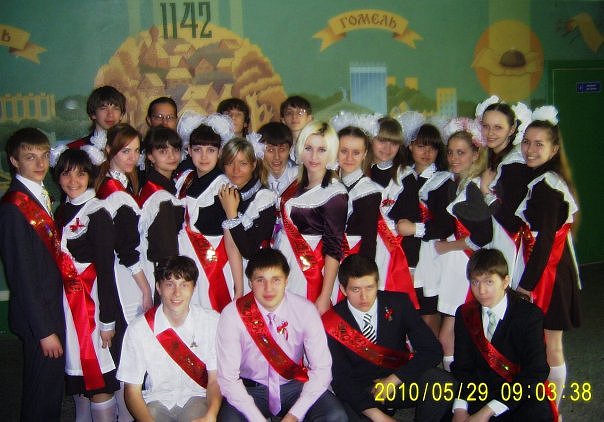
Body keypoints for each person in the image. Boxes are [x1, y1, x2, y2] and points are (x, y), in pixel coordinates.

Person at [217, 248, 347, 422]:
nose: (268, 288)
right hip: (250, 390)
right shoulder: (232, 314)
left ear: (286, 280)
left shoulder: (305, 310)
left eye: (276, 280)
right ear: (250, 282)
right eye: (260, 280)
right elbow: (228, 378)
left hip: (294, 386)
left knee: (334, 415)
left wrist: (294, 415)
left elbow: (322, 369)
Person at [324, 254, 454, 422]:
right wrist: (378, 416)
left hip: (399, 381)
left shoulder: (398, 303)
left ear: (377, 283)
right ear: (343, 289)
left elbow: (433, 350)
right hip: (362, 391)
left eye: (369, 287)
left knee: (442, 383)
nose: (364, 297)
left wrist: (394, 379)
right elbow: (341, 379)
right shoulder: (333, 321)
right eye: (355, 289)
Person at [514, 108, 581, 411]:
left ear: (554, 150)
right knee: (545, 343)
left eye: (539, 144)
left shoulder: (548, 187)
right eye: (527, 142)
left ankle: (553, 411)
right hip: (546, 270)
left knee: (552, 344)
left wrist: (526, 285)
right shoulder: (543, 180)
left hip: (550, 275)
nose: (530, 149)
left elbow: (545, 241)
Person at [0, 128, 65, 421]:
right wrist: (44, 330)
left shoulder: (38, 194)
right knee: (41, 395)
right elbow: (22, 276)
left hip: (50, 308)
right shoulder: (14, 208)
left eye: (44, 155)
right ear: (14, 161)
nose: (40, 163)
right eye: (30, 157)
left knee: (49, 390)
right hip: (39, 318)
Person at [54, 149, 123, 421]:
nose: (73, 181)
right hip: (68, 308)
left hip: (92, 310)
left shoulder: (97, 212)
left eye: (81, 174)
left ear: (91, 176)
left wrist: (107, 321)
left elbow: (106, 271)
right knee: (79, 381)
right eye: (66, 173)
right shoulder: (61, 211)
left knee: (98, 380)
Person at [452, 248, 554, 421]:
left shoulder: (529, 316)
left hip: (519, 395)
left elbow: (535, 372)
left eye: (489, 282)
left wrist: (488, 411)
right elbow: (462, 367)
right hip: (479, 393)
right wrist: (460, 408)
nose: (481, 290)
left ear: (505, 281)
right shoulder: (465, 313)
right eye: (475, 282)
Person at [117, 255, 221, 422]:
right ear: (158, 287)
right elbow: (132, 390)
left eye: (184, 285)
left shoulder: (211, 322)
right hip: (156, 401)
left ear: (194, 288)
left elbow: (215, 380)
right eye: (170, 284)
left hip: (196, 398)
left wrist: (211, 414)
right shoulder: (139, 329)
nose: (176, 293)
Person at [434, 121, 492, 371]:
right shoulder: (460, 183)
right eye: (450, 152)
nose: (454, 158)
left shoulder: (472, 187)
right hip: (458, 264)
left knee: (450, 330)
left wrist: (448, 247)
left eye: (461, 152)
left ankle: (457, 383)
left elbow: (483, 235)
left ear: (475, 154)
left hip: (465, 264)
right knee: (455, 327)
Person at [276, 121, 348, 314]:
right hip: (284, 264)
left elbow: (334, 248)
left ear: (331, 152)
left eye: (322, 150)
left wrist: (325, 295)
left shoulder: (335, 194)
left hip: (310, 271)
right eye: (308, 148)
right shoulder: (295, 183)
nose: (314, 156)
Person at [176, 113, 243, 312]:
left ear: (220, 152)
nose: (204, 157)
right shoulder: (185, 179)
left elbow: (233, 241)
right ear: (189, 150)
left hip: (214, 269)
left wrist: (239, 287)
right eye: (198, 150)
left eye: (211, 150)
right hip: (186, 265)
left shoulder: (225, 188)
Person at [394, 120, 448, 335]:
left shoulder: (443, 181)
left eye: (432, 147)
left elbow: (445, 225)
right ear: (410, 146)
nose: (426, 152)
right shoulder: (400, 176)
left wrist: (415, 229)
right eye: (421, 146)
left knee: (428, 312)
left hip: (430, 257)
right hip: (401, 255)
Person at [477, 96, 532, 279]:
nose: (490, 133)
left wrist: (485, 190)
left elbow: (511, 219)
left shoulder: (514, 165)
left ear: (512, 129)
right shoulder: (493, 157)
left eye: (498, 127)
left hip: (510, 242)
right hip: (498, 239)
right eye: (486, 126)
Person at [370, 116, 416, 302]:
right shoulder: (356, 170)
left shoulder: (405, 176)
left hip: (394, 256)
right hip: (361, 250)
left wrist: (410, 267)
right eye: (382, 140)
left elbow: (412, 223)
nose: (387, 148)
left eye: (394, 143)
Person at [138, 126, 184, 291]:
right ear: (150, 156)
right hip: (164, 277)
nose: (172, 156)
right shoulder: (160, 197)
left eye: (175, 150)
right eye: (163, 151)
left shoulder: (155, 185)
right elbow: (167, 253)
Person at [218, 137, 277, 264]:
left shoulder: (265, 198)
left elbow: (250, 251)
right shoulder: (222, 191)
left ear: (253, 165)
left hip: (254, 270)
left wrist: (232, 215)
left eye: (243, 163)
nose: (236, 170)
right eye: (230, 163)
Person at [68, 85, 126, 151]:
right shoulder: (75, 149)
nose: (110, 114)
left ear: (121, 115)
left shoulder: (131, 146)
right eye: (104, 108)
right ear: (93, 114)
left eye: (116, 108)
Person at [258, 121, 298, 196]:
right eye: (270, 150)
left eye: (282, 149)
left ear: (290, 149)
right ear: (260, 151)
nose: (277, 157)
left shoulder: (299, 177)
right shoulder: (255, 180)